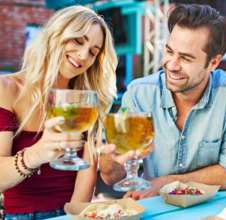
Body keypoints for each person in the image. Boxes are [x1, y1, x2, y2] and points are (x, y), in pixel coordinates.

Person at [113, 4, 226, 200]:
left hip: (212, 210)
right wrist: (107, 160)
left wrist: (166, 183)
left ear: (213, 62)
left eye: (186, 58)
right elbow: (115, 174)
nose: (171, 65)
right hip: (154, 208)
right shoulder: (139, 93)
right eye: (169, 51)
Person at [0, 5, 131, 219]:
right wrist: (37, 153)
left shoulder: (87, 100)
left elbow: (84, 179)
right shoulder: (7, 89)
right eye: (78, 41)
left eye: (93, 52)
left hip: (72, 214)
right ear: (56, 35)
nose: (82, 55)